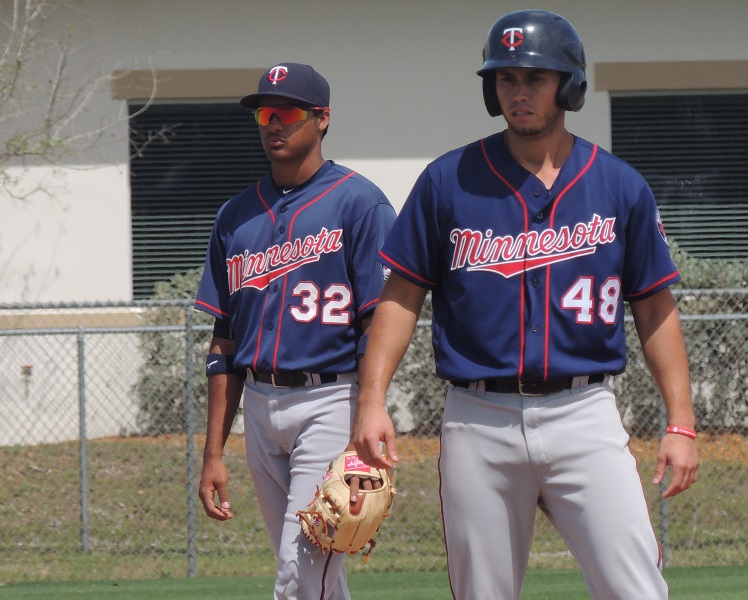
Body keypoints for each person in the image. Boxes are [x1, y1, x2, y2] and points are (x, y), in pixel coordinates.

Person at [349, 10, 699, 599]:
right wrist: (371, 400)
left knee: (637, 589)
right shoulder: (447, 180)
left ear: (568, 86)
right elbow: (402, 295)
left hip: (583, 413)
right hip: (478, 419)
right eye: (505, 79)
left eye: (534, 78)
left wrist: (681, 423)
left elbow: (654, 309)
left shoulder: (617, 185)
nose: (518, 92)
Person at [194, 62, 396, 600]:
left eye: (287, 111)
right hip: (259, 404)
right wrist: (214, 453)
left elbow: (380, 319)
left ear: (322, 119)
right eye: (264, 112)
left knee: (300, 567)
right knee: (316, 573)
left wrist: (369, 410)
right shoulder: (235, 216)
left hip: (331, 397)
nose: (272, 123)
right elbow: (224, 341)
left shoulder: (360, 202)